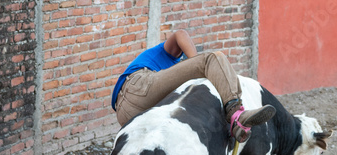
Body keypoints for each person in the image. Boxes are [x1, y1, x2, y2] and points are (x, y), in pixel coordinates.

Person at [111, 30, 275, 143]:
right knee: (212, 59)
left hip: (127, 114)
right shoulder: (167, 53)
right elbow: (180, 34)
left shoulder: (171, 79)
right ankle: (237, 115)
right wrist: (197, 62)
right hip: (137, 88)